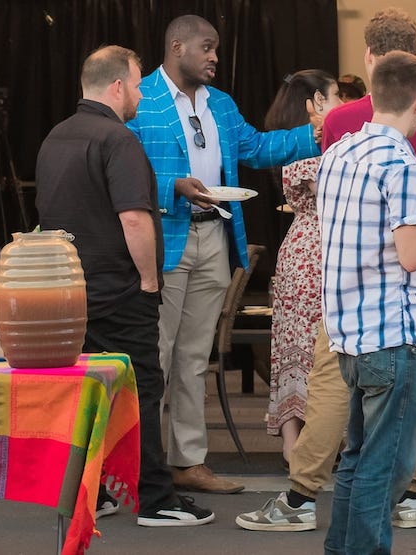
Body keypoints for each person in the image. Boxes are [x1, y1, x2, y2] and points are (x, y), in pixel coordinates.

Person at [235, 7, 416, 533]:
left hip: (349, 281)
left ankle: (303, 494)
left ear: (370, 57)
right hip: (415, 283)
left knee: (331, 387)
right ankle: (411, 495)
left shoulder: (338, 123)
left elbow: (335, 202)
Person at [126, 15, 320, 494]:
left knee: (194, 357)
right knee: (157, 358)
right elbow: (121, 170)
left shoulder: (222, 104)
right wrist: (173, 188)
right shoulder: (140, 99)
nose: (215, 57)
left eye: (216, 49)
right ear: (177, 47)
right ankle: (139, 468)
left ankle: (187, 462)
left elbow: (256, 148)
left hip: (214, 237)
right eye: (207, 48)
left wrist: (315, 133)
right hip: (162, 240)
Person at [35, 45, 214, 526]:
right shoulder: (119, 140)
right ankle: (156, 499)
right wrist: (150, 281)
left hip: (70, 293)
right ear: (117, 86)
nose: (139, 94)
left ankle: (95, 492)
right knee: (142, 389)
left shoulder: (55, 137)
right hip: (120, 291)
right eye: (136, 84)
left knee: (90, 394)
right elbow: (134, 218)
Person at [319, 50, 416, 555]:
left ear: (373, 96)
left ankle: (342, 549)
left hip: (348, 332)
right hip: (390, 333)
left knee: (358, 458)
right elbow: (412, 253)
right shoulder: (402, 164)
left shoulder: (338, 155)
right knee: (388, 465)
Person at [263, 70, 342, 462]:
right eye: (337, 95)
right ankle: (314, 447)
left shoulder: (293, 149)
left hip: (298, 249)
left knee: (293, 348)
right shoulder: (320, 150)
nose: (343, 103)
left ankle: (293, 445)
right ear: (316, 104)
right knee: (320, 350)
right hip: (322, 252)